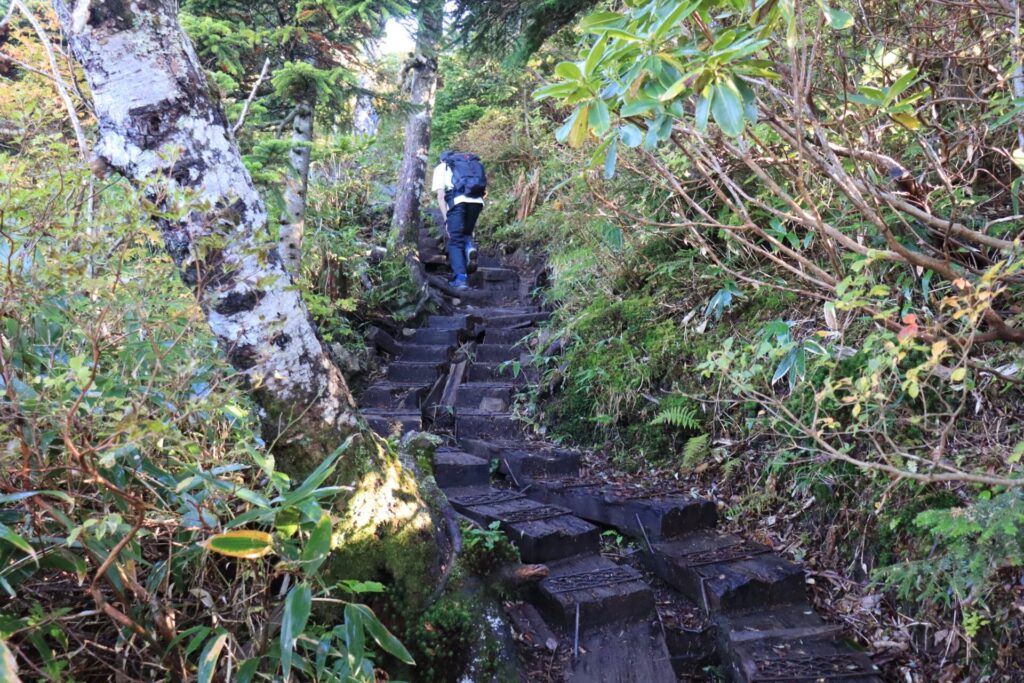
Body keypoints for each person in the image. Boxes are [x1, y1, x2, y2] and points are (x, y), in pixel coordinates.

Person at [432, 151, 486, 289]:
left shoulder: (441, 167)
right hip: (477, 202)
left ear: (441, 159)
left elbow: (440, 195)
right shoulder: (471, 165)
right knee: (466, 234)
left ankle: (461, 279)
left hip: (457, 202)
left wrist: (446, 220)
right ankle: (470, 248)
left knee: (455, 240)